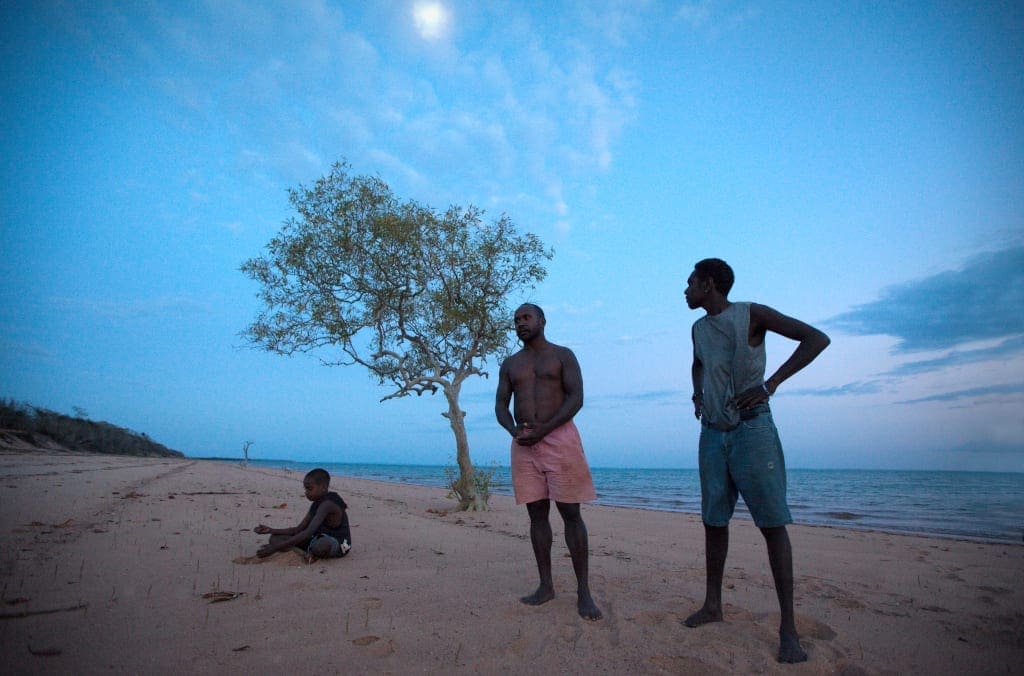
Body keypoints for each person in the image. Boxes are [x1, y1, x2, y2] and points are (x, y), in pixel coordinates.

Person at [682, 258, 830, 664]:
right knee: (714, 521)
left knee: (772, 524)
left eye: (691, 281)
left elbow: (816, 339)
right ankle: (713, 606)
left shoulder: (752, 315)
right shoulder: (697, 328)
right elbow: (698, 364)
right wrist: (698, 395)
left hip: (753, 432)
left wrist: (771, 384)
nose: (685, 288)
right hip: (712, 434)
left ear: (709, 284)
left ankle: (789, 630)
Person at [495, 303, 602, 621]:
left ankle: (584, 592)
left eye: (526, 318)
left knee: (571, 513)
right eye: (516, 320)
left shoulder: (562, 355)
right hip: (525, 441)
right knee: (536, 515)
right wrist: (514, 430)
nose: (520, 323)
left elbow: (576, 397)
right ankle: (546, 586)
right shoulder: (511, 364)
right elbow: (501, 404)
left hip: (559, 438)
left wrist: (546, 429)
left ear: (542, 321)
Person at [254, 468, 352, 562]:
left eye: (309, 488)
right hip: (315, 538)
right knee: (275, 538)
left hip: (337, 544)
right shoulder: (316, 504)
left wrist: (275, 548)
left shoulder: (328, 504)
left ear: (323, 488)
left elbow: (308, 532)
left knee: (322, 545)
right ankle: (304, 554)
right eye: (305, 489)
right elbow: (298, 529)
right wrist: (271, 530)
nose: (306, 492)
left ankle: (308, 552)